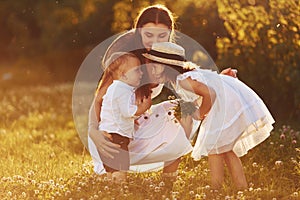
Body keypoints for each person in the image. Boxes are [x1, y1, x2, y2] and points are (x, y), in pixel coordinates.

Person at [88, 4, 237, 181]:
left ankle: (168, 181)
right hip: (112, 134)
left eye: (162, 35)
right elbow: (99, 100)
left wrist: (218, 80)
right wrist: (93, 132)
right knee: (115, 176)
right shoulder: (127, 60)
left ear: (170, 34)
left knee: (181, 109)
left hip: (135, 127)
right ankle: (115, 173)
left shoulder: (164, 57)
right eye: (148, 35)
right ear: (139, 32)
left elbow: (189, 77)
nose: (155, 41)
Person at [142, 41, 275, 189]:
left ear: (167, 67)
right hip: (225, 102)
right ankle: (241, 187)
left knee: (214, 149)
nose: (151, 71)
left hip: (223, 106)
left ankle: (216, 189)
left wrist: (200, 114)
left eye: (154, 66)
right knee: (224, 149)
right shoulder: (183, 78)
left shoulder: (182, 81)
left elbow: (209, 93)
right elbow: (203, 91)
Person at [96, 52, 151, 182]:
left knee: (112, 170)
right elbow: (127, 112)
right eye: (137, 70)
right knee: (120, 169)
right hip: (117, 137)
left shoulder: (115, 88)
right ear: (123, 75)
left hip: (109, 134)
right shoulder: (122, 89)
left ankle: (111, 191)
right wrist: (144, 107)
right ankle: (119, 192)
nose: (141, 73)